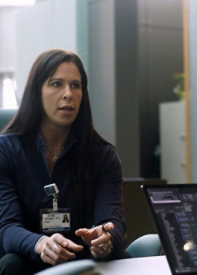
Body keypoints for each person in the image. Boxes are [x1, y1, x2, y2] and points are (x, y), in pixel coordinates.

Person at [0, 49, 127, 274]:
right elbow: (7, 228)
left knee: (122, 258)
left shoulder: (103, 155)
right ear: (36, 92)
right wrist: (39, 244)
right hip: (27, 260)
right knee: (11, 263)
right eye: (56, 84)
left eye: (75, 85)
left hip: (84, 261)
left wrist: (105, 239)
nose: (68, 94)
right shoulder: (6, 150)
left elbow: (112, 221)